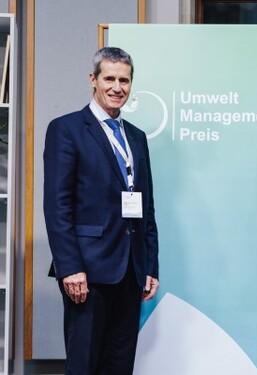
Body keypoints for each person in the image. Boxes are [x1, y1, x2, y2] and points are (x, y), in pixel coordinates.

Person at [43, 46, 159, 374]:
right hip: (88, 271)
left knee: (119, 364)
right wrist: (70, 268)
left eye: (124, 80)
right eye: (109, 78)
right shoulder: (66, 129)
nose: (116, 87)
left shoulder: (136, 137)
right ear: (93, 80)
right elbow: (57, 206)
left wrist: (150, 263)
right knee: (85, 364)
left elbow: (147, 206)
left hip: (130, 269)